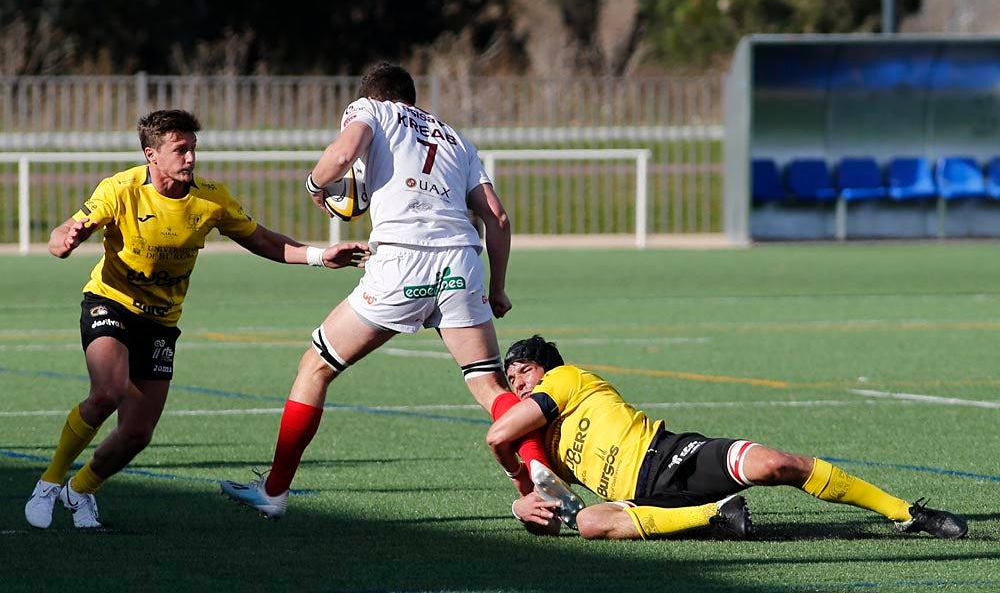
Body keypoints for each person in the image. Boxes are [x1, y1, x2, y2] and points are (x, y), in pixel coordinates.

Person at [220, 62, 548, 518]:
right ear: (413, 98)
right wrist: (498, 287)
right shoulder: (455, 137)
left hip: (401, 260)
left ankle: (274, 492)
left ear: (373, 95)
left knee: (315, 367)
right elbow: (497, 216)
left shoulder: (371, 109)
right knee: (489, 384)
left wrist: (316, 184)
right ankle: (536, 470)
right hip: (460, 260)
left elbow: (342, 154)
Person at [24, 109, 370, 530]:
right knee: (106, 393)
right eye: (180, 150)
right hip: (110, 302)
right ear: (151, 154)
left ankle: (79, 490)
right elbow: (66, 230)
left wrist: (318, 255)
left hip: (161, 322)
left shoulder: (210, 198)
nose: (190, 158)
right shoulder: (120, 189)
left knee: (137, 434)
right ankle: (48, 481)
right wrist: (63, 239)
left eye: (192, 149)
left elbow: (260, 239)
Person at [488, 335, 970, 541]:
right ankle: (717, 515)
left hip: (674, 454)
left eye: (524, 372)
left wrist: (512, 462)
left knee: (777, 464)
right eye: (510, 379)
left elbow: (499, 433)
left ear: (546, 368)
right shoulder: (542, 446)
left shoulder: (567, 380)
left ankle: (906, 513)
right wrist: (521, 503)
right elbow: (553, 518)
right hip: (642, 500)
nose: (518, 384)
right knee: (591, 523)